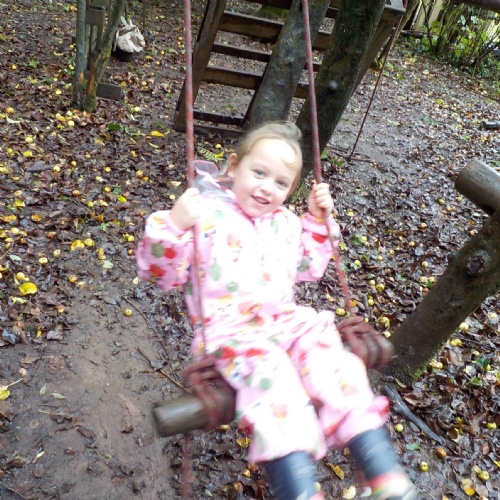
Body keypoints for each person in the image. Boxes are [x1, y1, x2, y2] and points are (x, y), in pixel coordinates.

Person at [136, 122, 419, 500]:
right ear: (233, 167)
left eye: (281, 182)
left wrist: (316, 222)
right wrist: (173, 225)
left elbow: (308, 267)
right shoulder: (205, 217)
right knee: (275, 381)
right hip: (233, 331)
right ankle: (298, 489)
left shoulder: (285, 223)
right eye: (259, 173)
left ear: (291, 189)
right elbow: (161, 274)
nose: (268, 187)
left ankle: (383, 474)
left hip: (287, 324)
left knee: (336, 364)